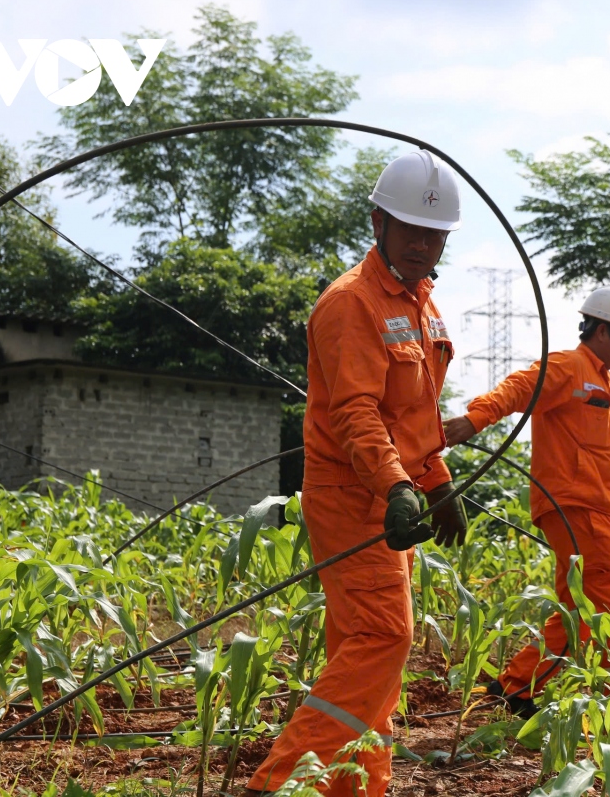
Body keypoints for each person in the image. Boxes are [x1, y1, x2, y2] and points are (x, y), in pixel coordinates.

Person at [244, 150, 468, 797]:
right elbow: (357, 414)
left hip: (395, 493)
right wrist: (400, 485)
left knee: (362, 654)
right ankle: (279, 785)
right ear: (378, 224)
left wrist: (435, 480)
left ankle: (354, 787)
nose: (425, 245)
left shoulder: (424, 306)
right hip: (352, 495)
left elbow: (416, 415)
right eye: (412, 231)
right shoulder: (351, 304)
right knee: (383, 638)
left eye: (436, 235)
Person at [443, 285, 610, 716]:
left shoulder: (609, 389)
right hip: (579, 510)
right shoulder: (569, 367)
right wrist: (474, 419)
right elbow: (522, 386)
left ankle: (515, 687)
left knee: (578, 610)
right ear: (604, 329)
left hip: (596, 514)